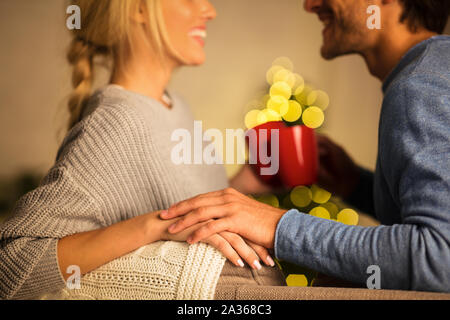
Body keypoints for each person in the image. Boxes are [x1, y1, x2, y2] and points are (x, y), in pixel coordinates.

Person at [163, 0, 450, 292]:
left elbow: (439, 259)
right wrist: (357, 185)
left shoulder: (419, 85)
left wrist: (277, 225)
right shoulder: (433, 71)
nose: (310, 5)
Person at [0, 0, 276, 300]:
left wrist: (242, 184)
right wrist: (157, 226)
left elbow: (169, 198)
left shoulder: (174, 105)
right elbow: (14, 266)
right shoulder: (115, 121)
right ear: (138, 8)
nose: (209, 10)